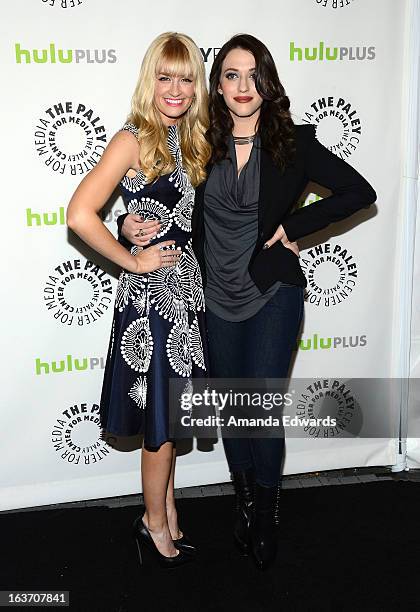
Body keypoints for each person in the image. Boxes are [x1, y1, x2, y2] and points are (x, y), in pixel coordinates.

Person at [119, 33, 377, 570]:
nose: (242, 86)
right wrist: (126, 222)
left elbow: (360, 192)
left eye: (252, 75)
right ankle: (243, 501)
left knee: (259, 413)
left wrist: (296, 225)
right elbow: (155, 195)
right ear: (217, 83)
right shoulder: (195, 140)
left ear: (268, 83)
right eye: (231, 75)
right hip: (211, 297)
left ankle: (265, 514)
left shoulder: (293, 143)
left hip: (272, 293)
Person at [67, 32, 211, 569]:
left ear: (197, 85)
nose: (174, 89)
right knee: (160, 423)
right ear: (149, 79)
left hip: (185, 297)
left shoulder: (190, 140)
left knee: (167, 421)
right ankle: (152, 523)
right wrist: (131, 256)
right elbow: (80, 214)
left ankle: (167, 512)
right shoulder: (134, 137)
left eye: (186, 77)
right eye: (164, 76)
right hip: (152, 304)